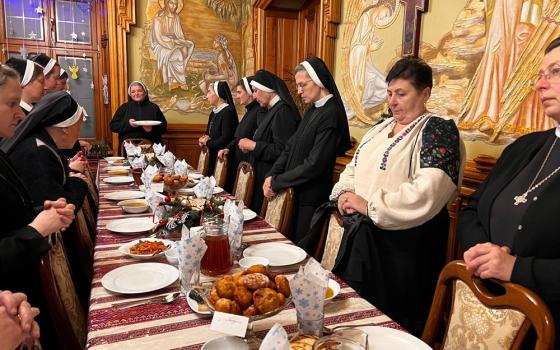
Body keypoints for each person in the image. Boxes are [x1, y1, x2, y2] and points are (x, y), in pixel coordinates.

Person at [329, 57, 461, 336]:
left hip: (406, 249)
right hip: (365, 239)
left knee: (392, 326)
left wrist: (368, 205)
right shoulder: (378, 130)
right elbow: (353, 167)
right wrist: (344, 194)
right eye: (390, 93)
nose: (392, 101)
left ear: (425, 93)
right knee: (357, 320)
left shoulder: (438, 130)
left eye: (401, 94)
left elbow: (429, 189)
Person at [459, 37, 560, 349]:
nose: (540, 86)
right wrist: (484, 255)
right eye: (539, 76)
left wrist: (517, 268)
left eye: (554, 72)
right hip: (484, 308)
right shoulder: (523, 147)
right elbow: (472, 208)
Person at [0, 64, 75, 349]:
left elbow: (10, 215)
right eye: (10, 104)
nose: (20, 114)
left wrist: (41, 212)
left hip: (19, 303)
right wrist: (35, 229)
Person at [263, 57, 351, 242]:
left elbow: (314, 164)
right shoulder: (312, 109)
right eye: (297, 85)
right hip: (295, 192)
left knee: (301, 251)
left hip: (311, 199)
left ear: (318, 80)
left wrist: (278, 181)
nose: (299, 90)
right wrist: (272, 175)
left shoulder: (331, 113)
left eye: (303, 84)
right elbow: (289, 147)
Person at [1, 91, 89, 210]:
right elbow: (58, 209)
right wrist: (78, 182)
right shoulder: (36, 153)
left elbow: (50, 180)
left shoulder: (43, 143)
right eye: (79, 126)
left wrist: (69, 169)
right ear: (65, 128)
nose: (79, 133)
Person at [240, 69, 300, 212]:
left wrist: (254, 146)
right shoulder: (272, 110)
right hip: (262, 174)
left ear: (267, 90)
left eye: (255, 91)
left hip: (270, 176)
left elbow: (282, 151)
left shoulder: (283, 112)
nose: (254, 97)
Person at [218, 76, 265, 192]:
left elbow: (257, 141)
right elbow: (238, 138)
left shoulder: (259, 112)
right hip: (239, 164)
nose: (237, 96)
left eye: (239, 92)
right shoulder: (249, 111)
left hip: (249, 168)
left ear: (249, 92)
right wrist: (228, 148)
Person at [150, 0, 194, 90]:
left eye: (175, 4)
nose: (174, 6)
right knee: (178, 56)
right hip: (161, 44)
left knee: (189, 46)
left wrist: (182, 42)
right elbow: (158, 37)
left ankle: (177, 78)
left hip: (174, 42)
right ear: (166, 3)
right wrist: (172, 42)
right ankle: (175, 82)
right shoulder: (159, 17)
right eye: (171, 3)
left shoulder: (176, 17)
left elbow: (179, 34)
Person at [110, 81, 168, 148]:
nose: (136, 93)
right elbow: (113, 126)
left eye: (139, 91)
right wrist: (128, 124)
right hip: (128, 149)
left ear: (145, 92)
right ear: (130, 94)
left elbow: (164, 127)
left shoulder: (154, 107)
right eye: (133, 92)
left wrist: (151, 129)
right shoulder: (124, 108)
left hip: (151, 148)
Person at [199, 80, 238, 178]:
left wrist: (207, 143)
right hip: (212, 156)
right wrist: (203, 138)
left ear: (218, 94)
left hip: (222, 158)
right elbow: (208, 133)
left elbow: (226, 138)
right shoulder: (214, 112)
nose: (206, 95)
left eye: (209, 92)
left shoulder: (228, 112)